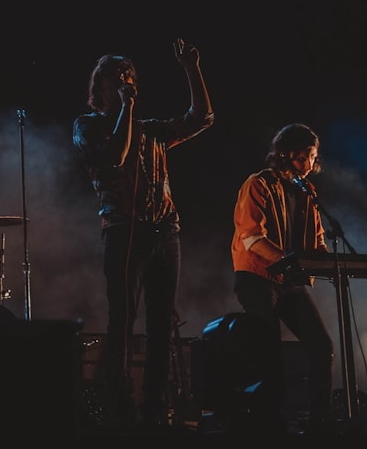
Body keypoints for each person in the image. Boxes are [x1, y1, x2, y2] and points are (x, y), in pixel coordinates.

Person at [72, 38, 214, 427]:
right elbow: (116, 156)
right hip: (122, 232)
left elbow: (202, 118)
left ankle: (154, 409)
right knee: (123, 318)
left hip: (165, 231)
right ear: (100, 88)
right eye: (116, 78)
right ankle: (119, 407)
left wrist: (191, 69)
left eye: (128, 76)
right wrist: (128, 107)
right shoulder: (87, 126)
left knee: (160, 322)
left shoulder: (153, 132)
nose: (124, 81)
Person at [231, 123, 334, 432]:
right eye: (308, 156)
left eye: (314, 157)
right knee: (268, 351)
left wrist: (334, 262)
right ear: (288, 154)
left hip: (287, 280)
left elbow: (317, 244)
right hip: (256, 276)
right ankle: (267, 423)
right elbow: (252, 237)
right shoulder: (258, 183)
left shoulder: (307, 192)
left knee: (321, 346)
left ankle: (320, 421)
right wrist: (287, 262)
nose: (312, 164)